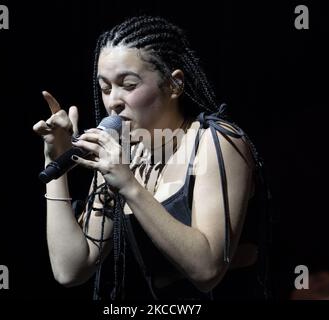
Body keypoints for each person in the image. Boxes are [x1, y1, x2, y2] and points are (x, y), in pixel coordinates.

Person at [33, 15, 272, 300]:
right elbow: (70, 270)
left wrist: (129, 185)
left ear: (174, 84)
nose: (113, 101)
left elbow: (207, 271)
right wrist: (55, 159)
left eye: (129, 85)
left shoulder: (215, 141)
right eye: (106, 88)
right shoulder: (121, 155)